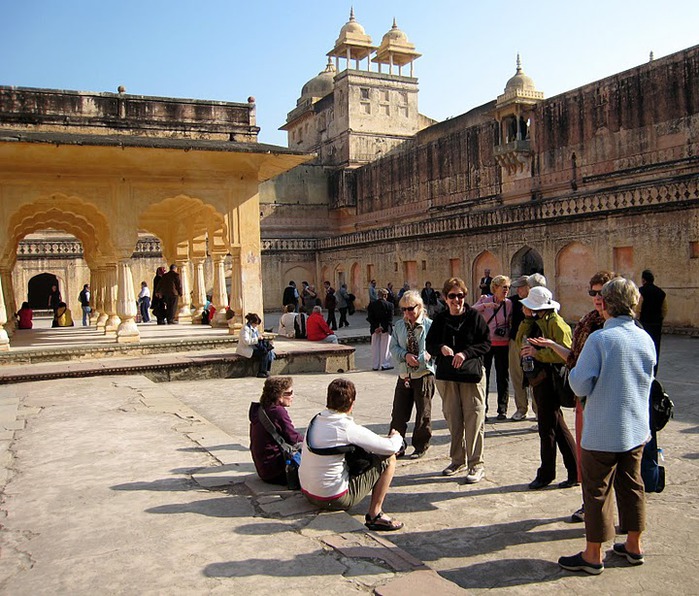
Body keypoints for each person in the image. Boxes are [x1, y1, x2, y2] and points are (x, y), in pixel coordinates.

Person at [559, 278, 655, 575]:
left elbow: (580, 382)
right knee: (632, 485)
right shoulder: (644, 338)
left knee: (597, 491)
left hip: (602, 430)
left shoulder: (601, 339)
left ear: (610, 304)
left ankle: (593, 553)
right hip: (636, 427)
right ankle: (634, 545)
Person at [527, 270, 615, 523]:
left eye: (603, 293)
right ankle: (592, 508)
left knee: (620, 467)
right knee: (591, 457)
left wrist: (544, 352)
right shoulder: (589, 323)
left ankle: (622, 532)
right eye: (594, 293)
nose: (598, 298)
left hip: (612, 401)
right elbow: (575, 360)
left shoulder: (620, 327)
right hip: (587, 397)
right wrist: (548, 346)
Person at [299, 378, 404, 531]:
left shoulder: (316, 420)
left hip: (307, 492)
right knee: (389, 459)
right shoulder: (346, 427)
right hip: (332, 499)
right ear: (352, 403)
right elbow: (390, 448)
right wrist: (397, 436)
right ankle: (375, 514)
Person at [426, 277, 490, 482]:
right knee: (453, 419)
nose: (457, 300)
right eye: (452, 296)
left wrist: (466, 353)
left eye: (460, 295)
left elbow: (486, 343)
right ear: (445, 298)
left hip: (471, 376)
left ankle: (476, 463)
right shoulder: (440, 319)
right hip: (447, 376)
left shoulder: (474, 317)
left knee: (474, 419)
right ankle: (457, 459)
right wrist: (441, 348)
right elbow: (430, 344)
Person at [517, 287, 578, 490]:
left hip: (551, 381)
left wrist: (538, 354)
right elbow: (519, 341)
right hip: (539, 381)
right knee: (557, 427)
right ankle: (574, 471)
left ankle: (547, 473)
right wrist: (526, 320)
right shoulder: (536, 321)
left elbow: (567, 355)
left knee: (548, 428)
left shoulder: (557, 324)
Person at [389, 290, 435, 459]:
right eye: (404, 309)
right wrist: (405, 356)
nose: (407, 313)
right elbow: (393, 347)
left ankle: (421, 445)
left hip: (423, 374)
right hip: (404, 374)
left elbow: (434, 348)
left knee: (423, 413)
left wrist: (420, 359)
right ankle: (397, 445)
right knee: (399, 413)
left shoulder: (429, 325)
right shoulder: (400, 326)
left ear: (419, 307)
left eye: (410, 309)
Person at [249, 376, 303, 485]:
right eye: (289, 392)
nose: (293, 396)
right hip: (276, 471)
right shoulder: (277, 411)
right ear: (279, 395)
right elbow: (293, 438)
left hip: (264, 468)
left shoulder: (262, 408)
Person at [473, 275, 512, 420]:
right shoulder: (485, 300)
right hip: (487, 344)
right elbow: (470, 312)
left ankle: (502, 409)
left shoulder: (509, 304)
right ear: (495, 288)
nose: (507, 290)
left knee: (503, 377)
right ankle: (484, 409)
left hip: (503, 344)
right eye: (504, 287)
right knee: (485, 376)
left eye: (508, 287)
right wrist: (485, 306)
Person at [508, 275, 531, 421]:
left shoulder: (536, 301)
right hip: (515, 340)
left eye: (521, 287)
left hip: (532, 341)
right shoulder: (513, 301)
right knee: (517, 376)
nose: (518, 290)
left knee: (534, 375)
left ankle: (537, 409)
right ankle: (521, 408)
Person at [638, 269, 667, 374]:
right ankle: (654, 371)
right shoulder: (661, 293)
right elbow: (664, 310)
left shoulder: (640, 291)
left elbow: (638, 308)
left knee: (642, 347)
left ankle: (644, 370)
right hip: (656, 323)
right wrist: (660, 319)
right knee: (655, 346)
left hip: (644, 323)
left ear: (643, 280)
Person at [237, 313, 275, 378]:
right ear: (252, 322)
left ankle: (266, 370)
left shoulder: (255, 329)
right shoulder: (245, 329)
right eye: (256, 324)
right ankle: (261, 372)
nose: (256, 325)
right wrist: (257, 339)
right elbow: (246, 341)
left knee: (268, 351)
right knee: (264, 353)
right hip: (247, 349)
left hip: (255, 347)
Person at [367, 288, 394, 371]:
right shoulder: (389, 305)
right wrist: (382, 327)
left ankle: (375, 365)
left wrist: (376, 327)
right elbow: (390, 319)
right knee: (385, 347)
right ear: (385, 295)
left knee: (375, 347)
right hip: (385, 328)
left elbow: (370, 318)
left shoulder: (372, 304)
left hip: (374, 329)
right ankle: (384, 364)